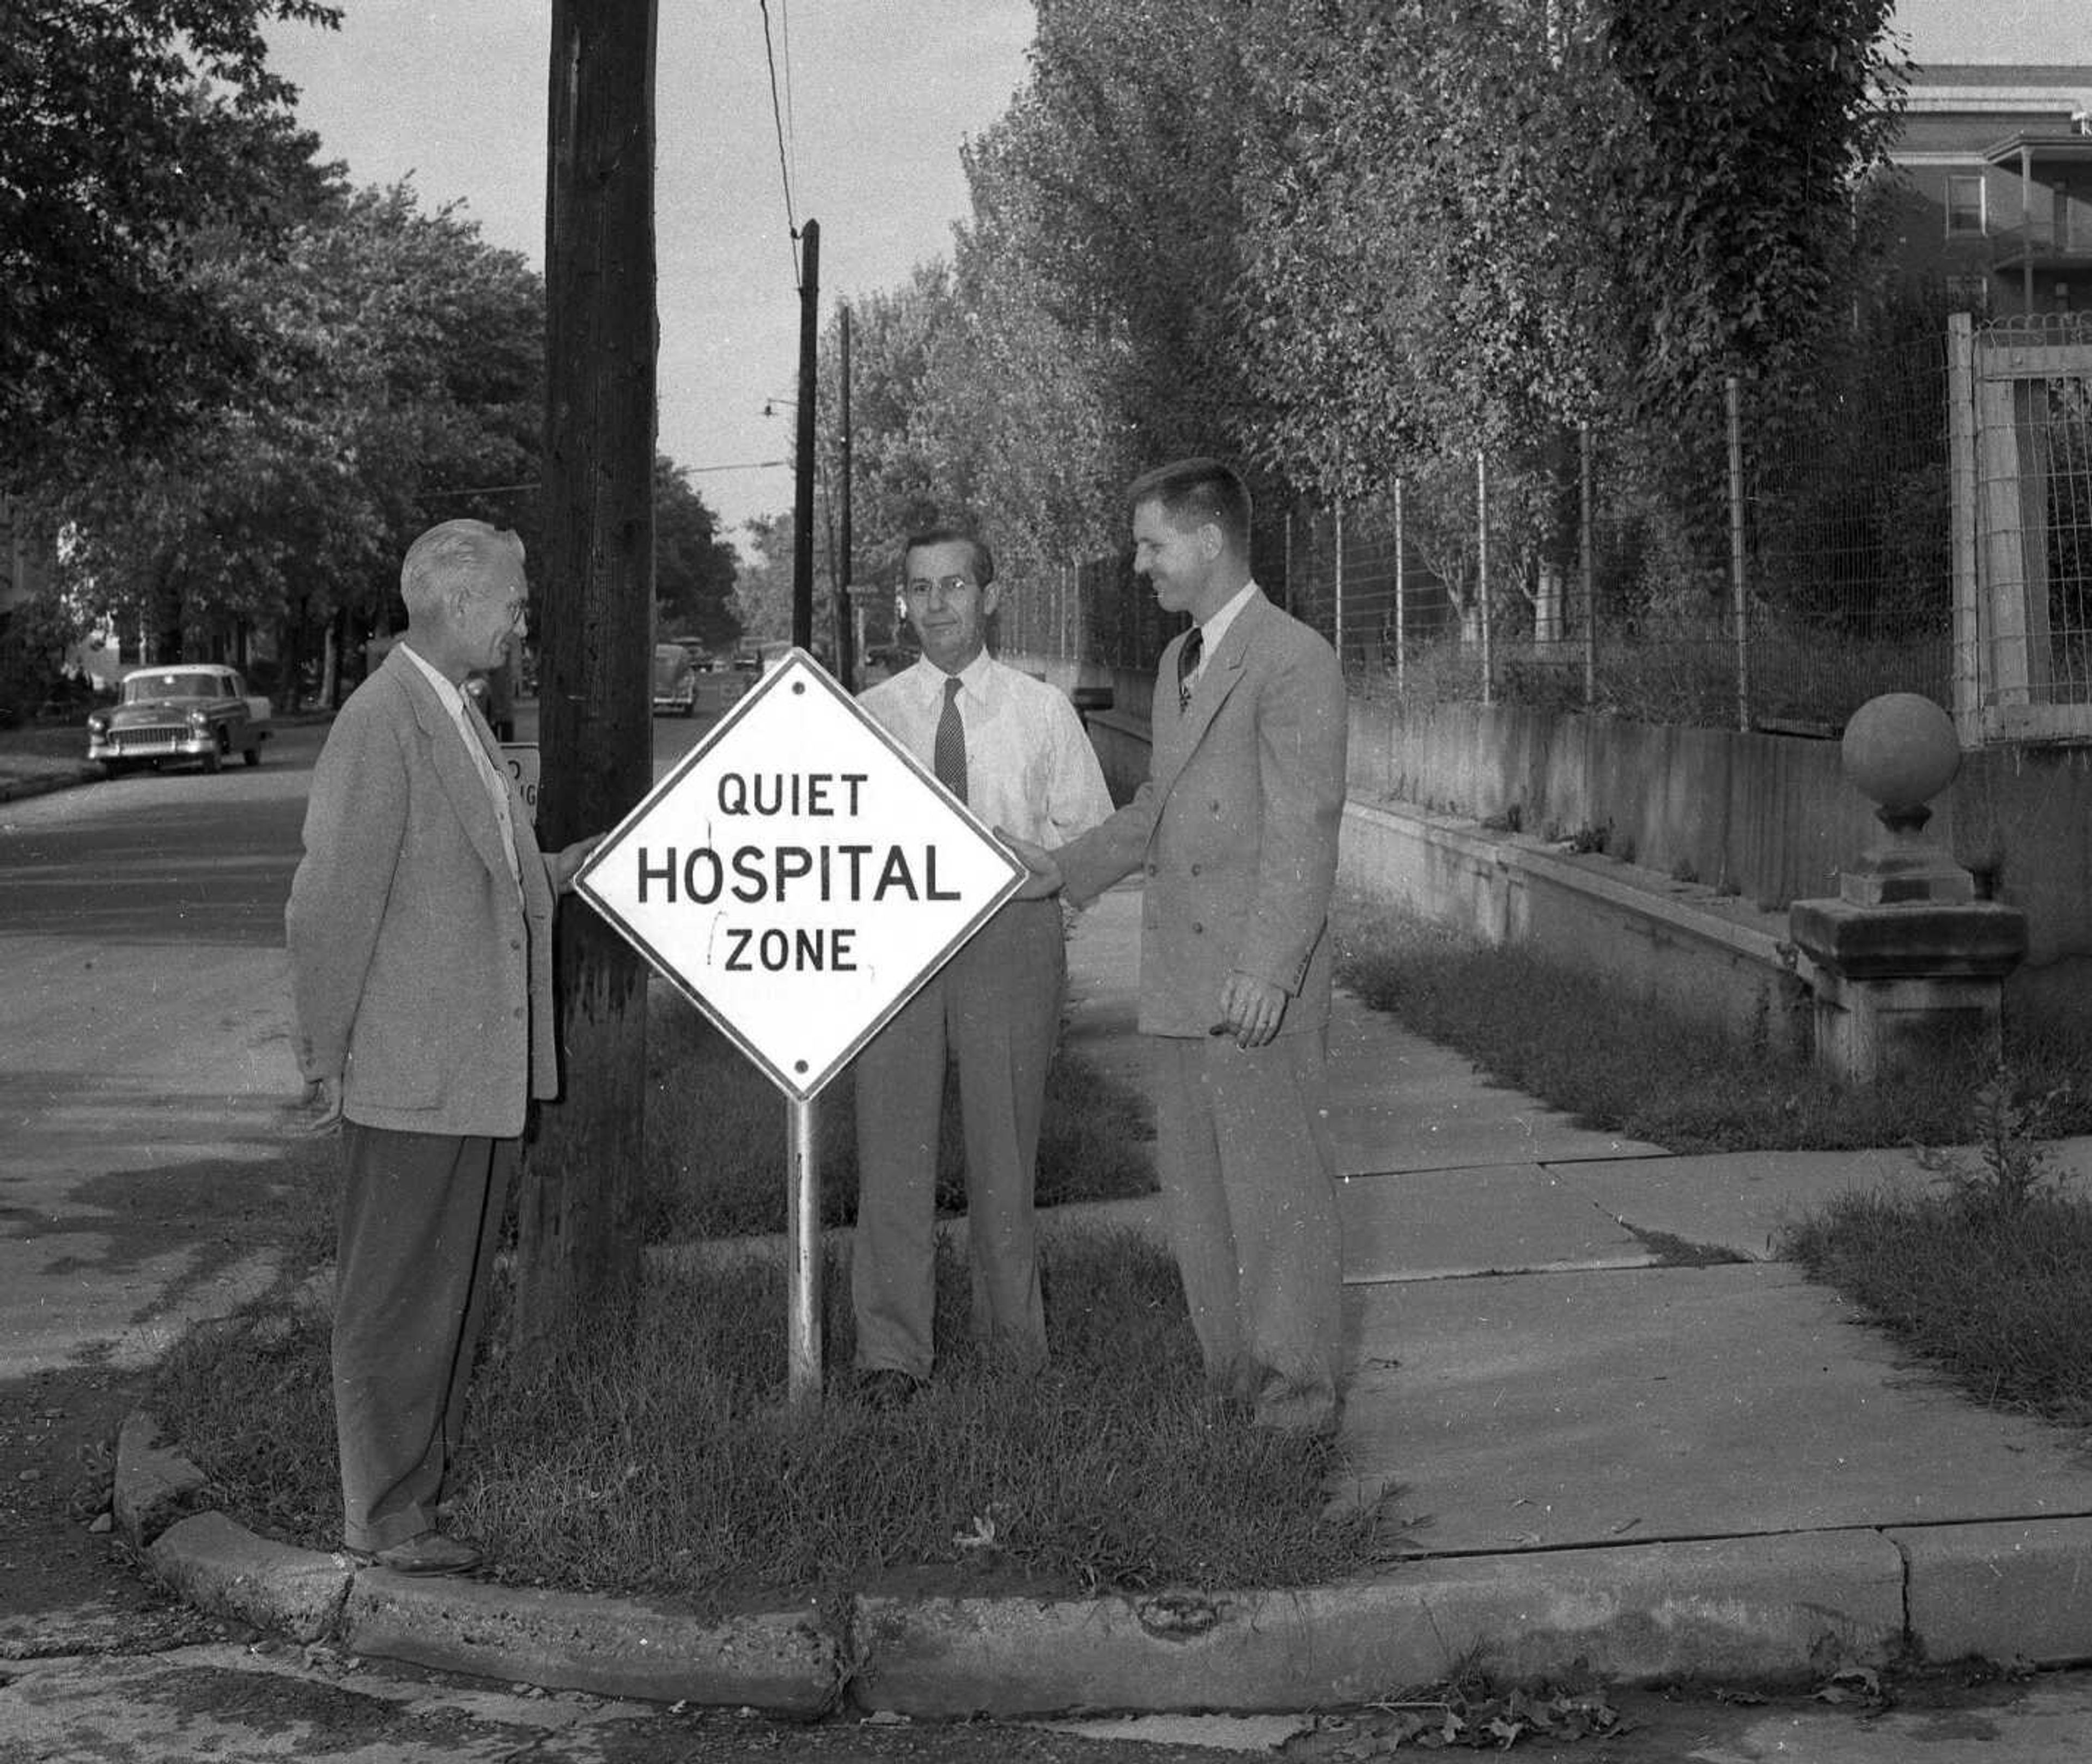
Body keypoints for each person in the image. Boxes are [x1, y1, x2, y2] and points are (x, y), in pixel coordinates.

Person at [1002, 459, 1349, 1434]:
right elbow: (1160, 805)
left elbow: (1304, 825)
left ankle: (1297, 1404)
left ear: (1207, 542)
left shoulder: (1294, 658)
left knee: (1277, 1196)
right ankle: (1233, 1385)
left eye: (1153, 543)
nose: (1140, 561)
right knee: (1200, 1200)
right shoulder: (1177, 661)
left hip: (1251, 986)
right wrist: (1062, 869)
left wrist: (1269, 970)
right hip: (1180, 980)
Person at [285, 519, 599, 1575]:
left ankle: (411, 1502)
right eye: (513, 602)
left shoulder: (454, 711)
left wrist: (568, 866)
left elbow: (483, 880)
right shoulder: (384, 720)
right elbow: (329, 903)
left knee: (448, 1296)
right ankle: (380, 1513)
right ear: (459, 606)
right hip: (415, 1073)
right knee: (396, 1297)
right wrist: (325, 1055)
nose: (522, 620)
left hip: (473, 1069)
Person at [849, 521, 1114, 1407]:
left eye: (955, 586)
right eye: (920, 588)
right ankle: (892, 1353)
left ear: (990, 596)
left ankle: (1014, 1350)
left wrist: (1047, 921)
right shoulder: (872, 714)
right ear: (904, 603)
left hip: (1009, 939)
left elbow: (1092, 835)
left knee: (1005, 1153)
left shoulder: (1042, 711)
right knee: (894, 1152)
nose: (937, 606)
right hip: (899, 947)